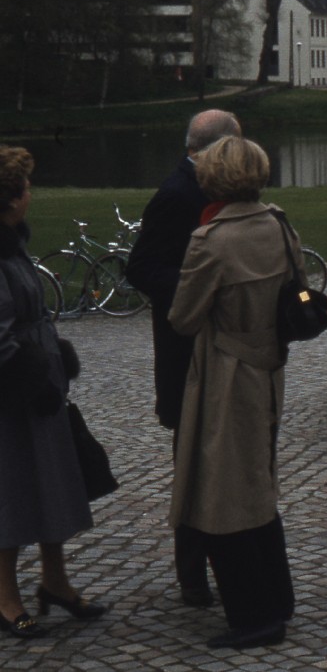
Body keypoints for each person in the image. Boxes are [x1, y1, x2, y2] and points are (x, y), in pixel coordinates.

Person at [168, 137, 297, 650]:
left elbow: (183, 317)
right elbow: (297, 288)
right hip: (269, 367)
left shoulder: (212, 240)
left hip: (226, 373)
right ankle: (278, 597)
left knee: (224, 496)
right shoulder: (278, 223)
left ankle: (256, 616)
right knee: (257, 483)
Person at [125, 109, 240, 608]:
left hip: (223, 354)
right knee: (192, 467)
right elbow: (143, 267)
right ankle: (193, 575)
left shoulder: (215, 188)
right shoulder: (176, 196)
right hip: (186, 354)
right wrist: (200, 290)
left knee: (222, 466)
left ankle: (226, 564)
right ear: (216, 148)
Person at [0, 145, 106, 640]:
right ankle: (5, 598)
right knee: (13, 491)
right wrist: (32, 376)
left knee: (51, 483)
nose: (31, 194)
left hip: (37, 379)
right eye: (25, 188)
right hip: (12, 393)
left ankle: (55, 582)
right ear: (13, 198)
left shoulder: (14, 242)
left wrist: (54, 356)